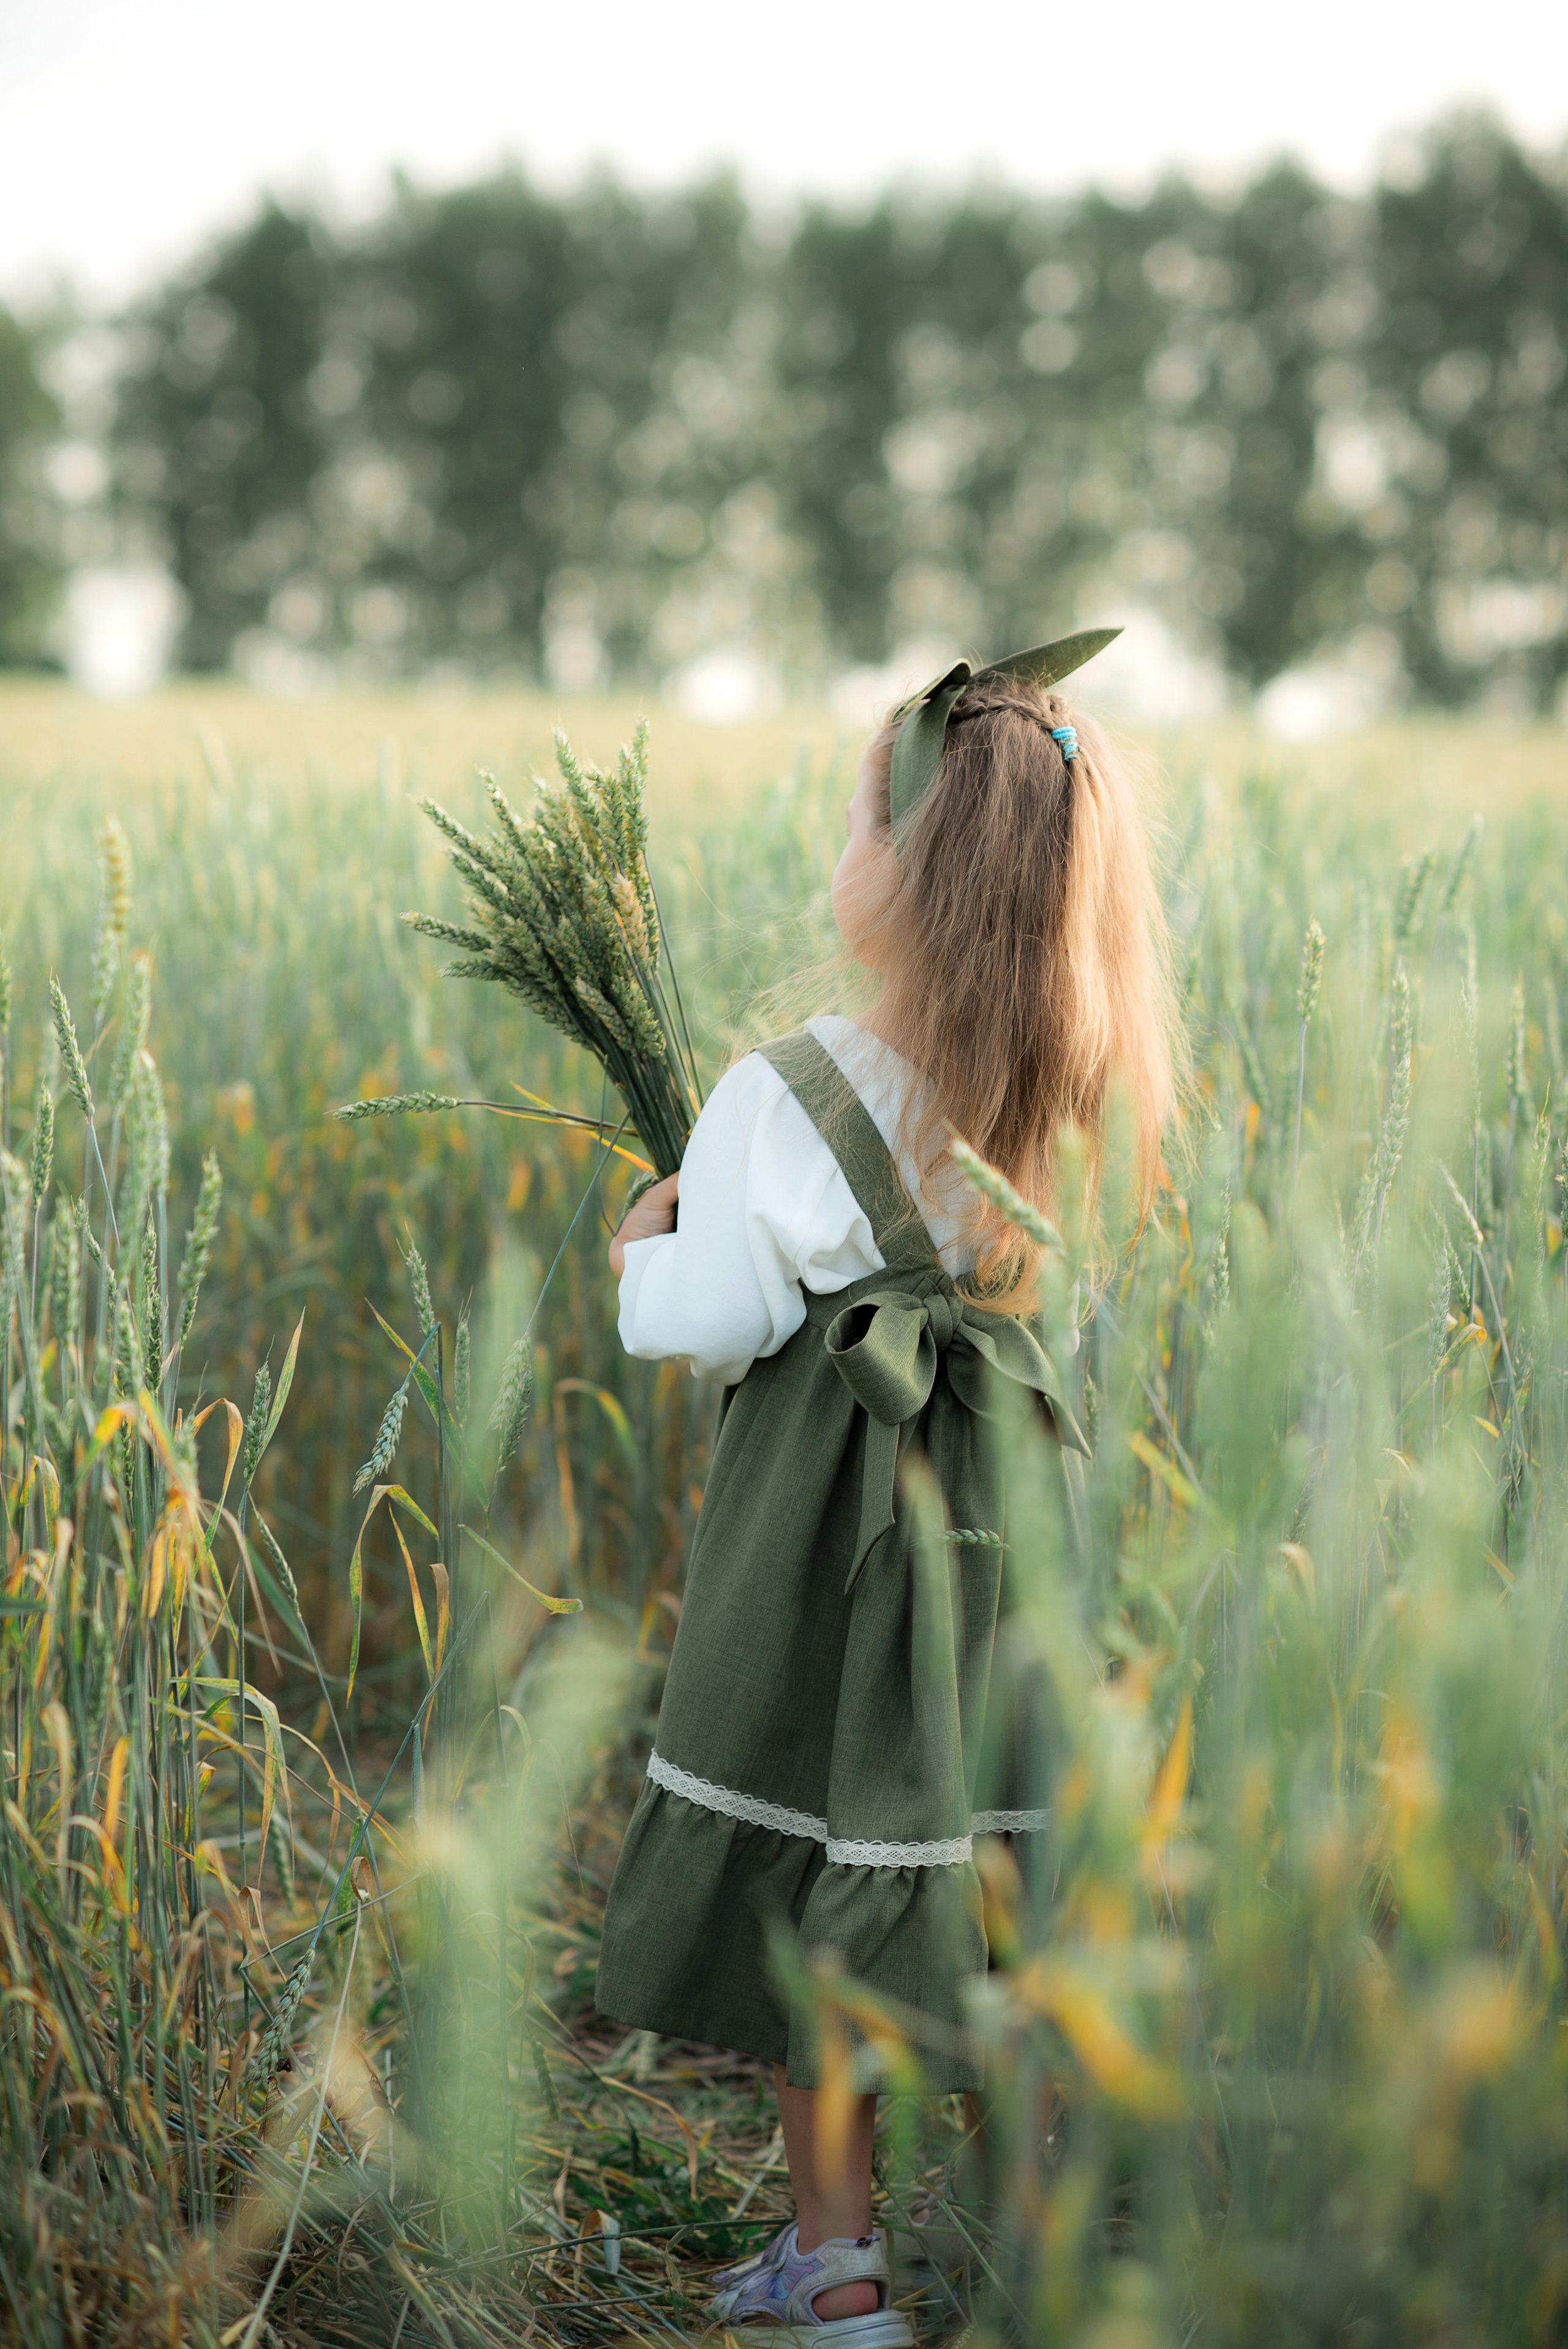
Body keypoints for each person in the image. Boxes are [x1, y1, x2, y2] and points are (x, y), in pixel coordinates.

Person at [594, 634, 1178, 2345]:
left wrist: (644, 1245)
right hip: (1004, 1533)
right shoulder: (1055, 1083)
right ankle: (1030, 2232)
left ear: (901, 873)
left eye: (857, 817)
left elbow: (714, 1320)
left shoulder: (783, 1091)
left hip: (831, 1550)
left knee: (823, 1879)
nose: (834, 851)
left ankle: (837, 2270)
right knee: (981, 1852)